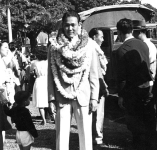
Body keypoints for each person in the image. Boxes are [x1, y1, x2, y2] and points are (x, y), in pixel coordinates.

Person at [48, 11, 99, 150]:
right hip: (61, 95)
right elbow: (50, 75)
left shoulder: (89, 45)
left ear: (79, 25)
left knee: (86, 136)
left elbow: (94, 73)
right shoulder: (54, 46)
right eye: (67, 25)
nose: (70, 28)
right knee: (61, 136)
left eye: (73, 25)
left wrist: (94, 98)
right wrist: (51, 99)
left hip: (83, 96)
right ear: (62, 26)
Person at [116, 18, 157, 150]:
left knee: (136, 127)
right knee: (149, 124)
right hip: (147, 89)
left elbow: (122, 77)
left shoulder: (122, 50)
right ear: (132, 30)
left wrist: (121, 96)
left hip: (133, 93)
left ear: (119, 32)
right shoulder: (144, 44)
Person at [89, 28, 109, 145]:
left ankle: (94, 136)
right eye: (101, 37)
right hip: (97, 84)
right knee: (98, 113)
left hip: (96, 83)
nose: (103, 39)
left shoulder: (96, 49)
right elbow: (98, 71)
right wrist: (104, 86)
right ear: (94, 37)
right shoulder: (94, 50)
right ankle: (97, 138)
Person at [132, 20, 157, 101]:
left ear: (139, 32)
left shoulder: (149, 46)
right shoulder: (141, 45)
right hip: (141, 84)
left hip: (146, 85)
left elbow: (150, 66)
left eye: (133, 32)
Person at [31, 45, 48, 125]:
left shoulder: (34, 63)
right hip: (47, 81)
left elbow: (31, 72)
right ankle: (54, 118)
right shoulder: (48, 62)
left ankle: (44, 119)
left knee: (40, 102)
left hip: (39, 81)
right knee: (48, 99)